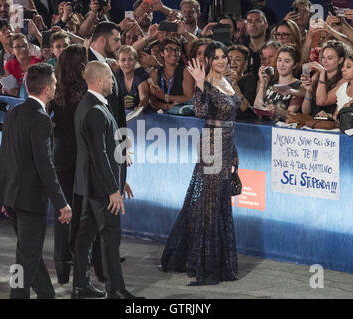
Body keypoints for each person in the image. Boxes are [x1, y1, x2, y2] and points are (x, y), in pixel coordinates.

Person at [161, 41, 240, 286]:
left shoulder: (227, 83)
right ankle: (205, 263)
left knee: (216, 203)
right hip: (211, 144)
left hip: (226, 144)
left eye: (223, 56)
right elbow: (200, 112)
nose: (221, 60)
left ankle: (192, 255)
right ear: (207, 60)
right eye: (215, 57)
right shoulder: (204, 84)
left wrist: (235, 152)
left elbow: (232, 116)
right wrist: (199, 84)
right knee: (209, 204)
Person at [0, 63, 72, 299]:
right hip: (29, 201)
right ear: (47, 89)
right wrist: (61, 203)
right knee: (25, 258)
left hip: (14, 197)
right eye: (55, 83)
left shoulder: (15, 111)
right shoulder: (41, 119)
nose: (56, 86)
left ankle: (47, 294)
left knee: (29, 252)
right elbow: (44, 165)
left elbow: (5, 155)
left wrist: (6, 195)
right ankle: (17, 295)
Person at [72, 60, 143, 299]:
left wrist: (120, 180)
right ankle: (115, 289)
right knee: (110, 236)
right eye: (111, 78)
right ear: (99, 80)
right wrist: (113, 188)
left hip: (91, 185)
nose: (114, 82)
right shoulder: (93, 109)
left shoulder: (90, 105)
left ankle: (80, 286)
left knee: (86, 235)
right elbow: (99, 154)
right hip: (101, 189)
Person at [47, 44, 88, 285]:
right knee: (81, 213)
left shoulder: (56, 90)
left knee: (63, 213)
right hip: (80, 158)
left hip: (61, 156)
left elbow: (45, 117)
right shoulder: (84, 90)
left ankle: (62, 268)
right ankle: (79, 263)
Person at [315, 53, 353, 121]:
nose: (342, 69)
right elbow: (337, 115)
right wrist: (327, 115)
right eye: (343, 66)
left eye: (348, 67)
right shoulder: (343, 88)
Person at [254, 45, 303, 121]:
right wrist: (263, 83)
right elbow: (257, 106)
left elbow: (291, 114)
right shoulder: (270, 81)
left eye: (287, 61)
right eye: (279, 60)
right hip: (264, 125)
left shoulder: (298, 86)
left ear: (295, 65)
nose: (281, 65)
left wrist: (278, 111)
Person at [301, 40, 349, 117]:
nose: (325, 61)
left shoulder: (344, 81)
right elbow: (305, 112)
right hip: (314, 122)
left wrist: (322, 72)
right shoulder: (316, 76)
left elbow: (321, 102)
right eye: (323, 57)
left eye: (329, 58)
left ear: (340, 60)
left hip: (332, 125)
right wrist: (309, 91)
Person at [148, 37, 194, 111]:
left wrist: (163, 96)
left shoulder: (186, 71)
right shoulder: (155, 73)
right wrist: (166, 106)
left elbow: (188, 98)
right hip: (158, 116)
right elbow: (151, 100)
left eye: (177, 50)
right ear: (162, 53)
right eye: (169, 49)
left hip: (181, 116)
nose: (174, 53)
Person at [5, 33, 42, 98]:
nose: (22, 49)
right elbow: (10, 87)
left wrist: (19, 92)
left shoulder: (37, 63)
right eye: (18, 47)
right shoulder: (9, 66)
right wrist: (6, 89)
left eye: (25, 45)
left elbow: (39, 89)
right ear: (12, 50)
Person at [116, 45, 149, 110]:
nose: (127, 63)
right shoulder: (117, 75)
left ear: (135, 60)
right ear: (118, 62)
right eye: (123, 60)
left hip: (143, 116)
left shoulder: (140, 74)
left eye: (130, 59)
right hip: (125, 115)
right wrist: (120, 104)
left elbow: (144, 98)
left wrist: (139, 109)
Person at [243, 9, 269, 75]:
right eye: (250, 21)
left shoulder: (274, 48)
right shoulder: (241, 49)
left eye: (257, 21)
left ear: (266, 25)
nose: (253, 25)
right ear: (246, 26)